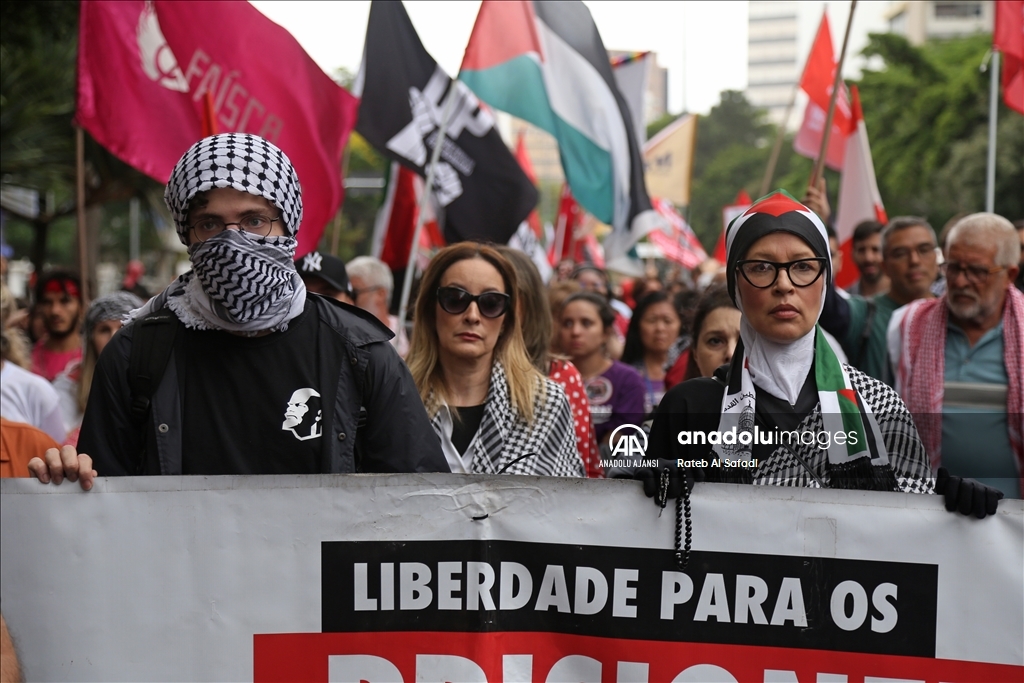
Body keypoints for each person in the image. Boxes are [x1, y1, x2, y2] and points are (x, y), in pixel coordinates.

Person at [29, 133, 446, 489]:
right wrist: (70, 480)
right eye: (209, 224)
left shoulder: (359, 351)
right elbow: (104, 503)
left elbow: (421, 500)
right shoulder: (136, 354)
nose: (232, 243)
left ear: (287, 225)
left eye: (254, 221)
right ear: (187, 235)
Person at [647, 192, 937, 501]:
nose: (783, 284)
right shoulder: (690, 407)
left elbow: (909, 525)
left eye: (802, 266)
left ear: (824, 281)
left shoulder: (879, 405)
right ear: (736, 285)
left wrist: (950, 508)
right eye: (761, 267)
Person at [406, 243, 582, 477]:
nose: (472, 316)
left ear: (507, 320)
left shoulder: (545, 403)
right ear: (431, 310)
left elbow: (566, 506)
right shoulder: (395, 399)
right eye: (455, 298)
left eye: (490, 303)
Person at [890, 213, 1022, 502]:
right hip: (928, 514)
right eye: (953, 267)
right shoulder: (908, 326)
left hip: (1013, 525)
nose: (961, 281)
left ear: (1009, 275)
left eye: (976, 271)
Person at [496, 246, 601, 478]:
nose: (475, 312)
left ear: (528, 305)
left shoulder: (559, 376)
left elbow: (586, 468)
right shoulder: (439, 375)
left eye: (497, 298)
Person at [820, 217, 940, 385]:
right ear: (884, 266)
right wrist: (815, 230)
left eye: (924, 249)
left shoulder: (955, 317)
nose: (914, 260)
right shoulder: (865, 315)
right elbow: (826, 303)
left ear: (937, 257)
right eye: (901, 253)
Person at [53, 292, 144, 445]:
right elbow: (57, 441)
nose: (115, 337)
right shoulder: (68, 386)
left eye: (124, 327)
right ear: (91, 338)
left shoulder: (161, 380)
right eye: (104, 330)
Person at [559, 291, 645, 446]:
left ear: (606, 332)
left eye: (586, 323)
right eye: (568, 323)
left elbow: (618, 439)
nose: (575, 332)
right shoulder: (548, 377)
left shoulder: (627, 380)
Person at [665, 285, 740, 389]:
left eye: (744, 341)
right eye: (715, 341)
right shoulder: (676, 403)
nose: (731, 353)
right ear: (695, 352)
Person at [621, 291, 683, 416]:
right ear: (638, 325)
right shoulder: (625, 374)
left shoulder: (688, 371)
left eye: (667, 321)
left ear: (680, 325)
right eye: (652, 320)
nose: (660, 328)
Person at [347, 256, 409, 358]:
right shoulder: (341, 332)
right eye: (346, 293)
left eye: (354, 293)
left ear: (380, 294)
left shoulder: (408, 336)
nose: (348, 300)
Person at [30, 271, 83, 382]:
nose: (55, 311)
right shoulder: (25, 359)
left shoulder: (92, 359)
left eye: (65, 301)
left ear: (81, 306)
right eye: (47, 302)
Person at [846, 220, 889, 297]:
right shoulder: (844, 301)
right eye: (861, 250)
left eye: (875, 250)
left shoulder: (906, 299)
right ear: (853, 254)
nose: (868, 258)